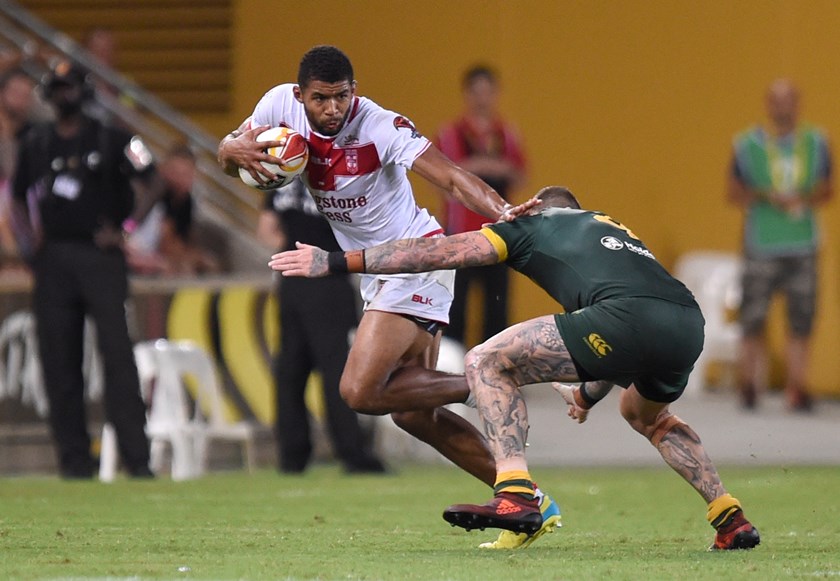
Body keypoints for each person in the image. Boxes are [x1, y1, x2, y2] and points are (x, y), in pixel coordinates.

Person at [270, 186, 761, 551]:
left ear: (539, 208)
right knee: (649, 417)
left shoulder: (535, 225)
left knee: (486, 361)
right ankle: (728, 515)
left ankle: (516, 494)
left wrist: (336, 262)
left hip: (623, 318)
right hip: (684, 322)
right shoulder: (611, 228)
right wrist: (589, 395)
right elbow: (633, 324)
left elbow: (431, 252)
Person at [218, 45, 560, 549]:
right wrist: (233, 153)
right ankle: (525, 499)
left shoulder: (380, 125)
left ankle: (492, 377)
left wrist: (504, 212)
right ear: (300, 96)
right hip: (377, 272)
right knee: (410, 411)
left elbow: (449, 176)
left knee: (358, 391)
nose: (333, 108)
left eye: (342, 96)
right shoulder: (277, 107)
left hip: (416, 257)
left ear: (354, 91)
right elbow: (229, 151)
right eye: (321, 99)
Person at [11, 60, 160, 479]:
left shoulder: (113, 138)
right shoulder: (36, 143)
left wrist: (126, 229)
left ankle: (137, 459)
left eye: (71, 86)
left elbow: (153, 180)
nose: (64, 95)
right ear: (49, 94)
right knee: (59, 362)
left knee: (118, 357)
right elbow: (18, 197)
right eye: (57, 88)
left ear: (85, 90)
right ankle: (74, 461)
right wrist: (28, 242)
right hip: (54, 260)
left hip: (101, 258)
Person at [257, 178, 385, 474]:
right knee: (336, 369)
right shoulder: (337, 177)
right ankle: (352, 452)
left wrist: (291, 255)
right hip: (328, 277)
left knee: (290, 369)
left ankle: (292, 456)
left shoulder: (282, 179)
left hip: (291, 283)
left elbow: (265, 227)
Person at [727, 79, 833, 412]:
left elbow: (828, 188)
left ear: (798, 104)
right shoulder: (746, 145)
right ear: (768, 104)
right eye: (777, 100)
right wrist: (765, 196)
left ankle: (797, 387)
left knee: (801, 318)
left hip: (803, 242)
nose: (783, 107)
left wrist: (802, 198)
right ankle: (749, 385)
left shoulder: (816, 142)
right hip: (761, 243)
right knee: (753, 317)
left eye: (789, 100)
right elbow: (733, 192)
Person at [436, 65, 527, 346]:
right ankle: (451, 371)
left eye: (488, 91)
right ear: (467, 94)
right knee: (455, 308)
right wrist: (486, 166)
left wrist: (482, 166)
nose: (482, 99)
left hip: (500, 235)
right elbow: (443, 175)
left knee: (497, 308)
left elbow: (519, 174)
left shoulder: (507, 133)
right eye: (476, 92)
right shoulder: (450, 133)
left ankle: (495, 367)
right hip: (461, 234)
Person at [127, 143, 220, 276]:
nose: (180, 180)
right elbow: (166, 242)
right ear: (164, 170)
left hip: (153, 253)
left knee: (208, 263)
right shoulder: (156, 194)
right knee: (175, 269)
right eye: (176, 173)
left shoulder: (186, 201)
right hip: (134, 249)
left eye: (186, 174)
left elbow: (186, 237)